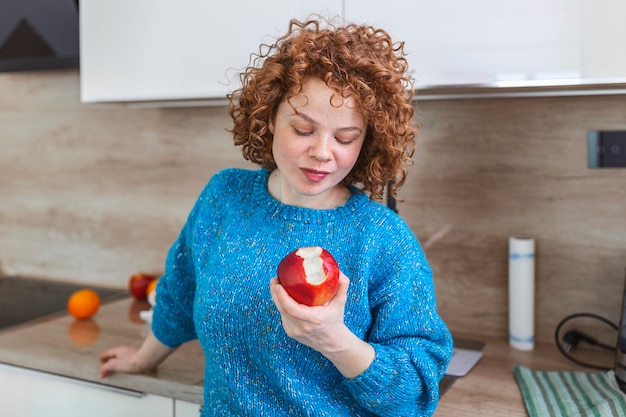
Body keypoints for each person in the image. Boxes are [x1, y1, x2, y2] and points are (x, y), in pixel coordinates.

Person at [99, 16, 453, 417]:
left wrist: (335, 340)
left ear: (365, 142)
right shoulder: (225, 198)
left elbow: (415, 396)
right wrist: (144, 359)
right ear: (269, 119)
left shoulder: (382, 238)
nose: (323, 152)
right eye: (303, 129)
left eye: (345, 138)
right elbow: (182, 293)